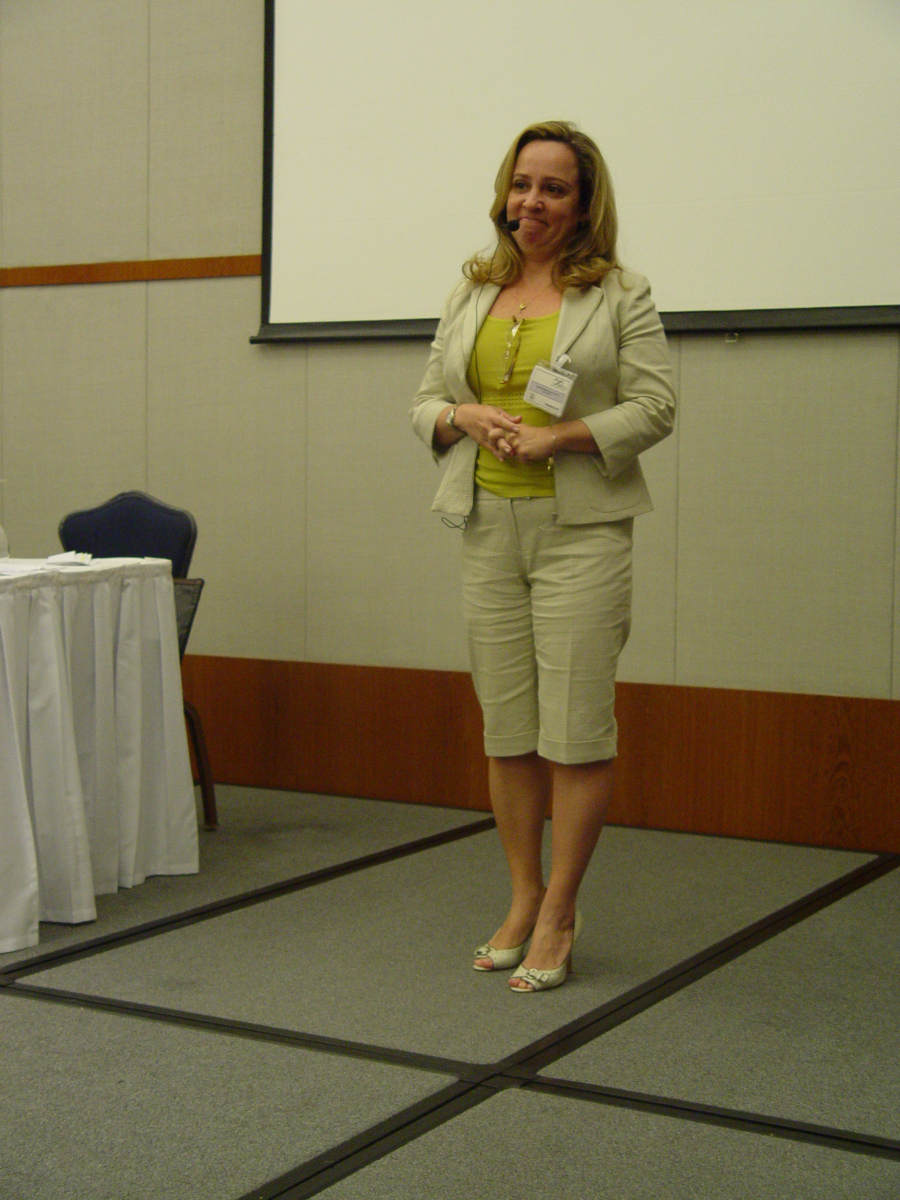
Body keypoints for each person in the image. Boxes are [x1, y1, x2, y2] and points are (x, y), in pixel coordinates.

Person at [410, 121, 675, 992]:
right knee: (509, 728)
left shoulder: (621, 294)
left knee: (575, 731)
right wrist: (461, 416)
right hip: (486, 524)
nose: (532, 201)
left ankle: (561, 911)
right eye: (522, 184)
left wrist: (561, 435)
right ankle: (523, 896)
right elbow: (425, 400)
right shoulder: (473, 288)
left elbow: (656, 407)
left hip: (581, 534)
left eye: (554, 188)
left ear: (584, 205)